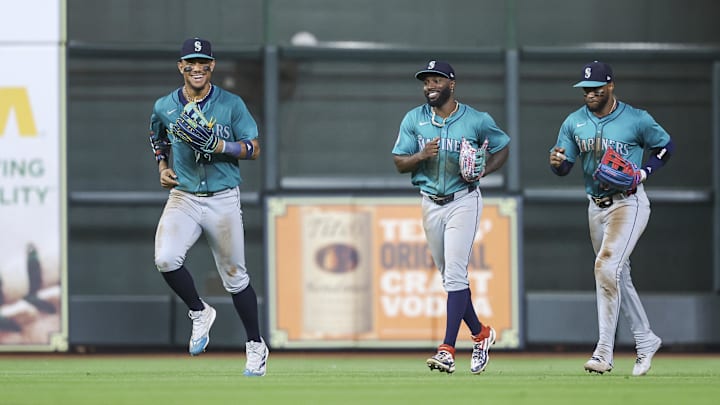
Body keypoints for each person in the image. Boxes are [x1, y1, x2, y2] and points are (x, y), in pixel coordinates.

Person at [148, 37, 268, 376]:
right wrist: (161, 166)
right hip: (184, 195)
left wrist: (222, 145)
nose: (197, 68)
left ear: (212, 66)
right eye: (191, 62)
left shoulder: (230, 104)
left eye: (203, 62)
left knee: (235, 277)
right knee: (166, 259)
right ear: (180, 66)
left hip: (223, 197)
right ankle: (200, 311)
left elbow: (254, 148)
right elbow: (156, 135)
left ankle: (256, 345)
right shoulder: (165, 106)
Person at [549, 60, 674, 376]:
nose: (590, 94)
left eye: (595, 88)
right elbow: (564, 167)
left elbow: (665, 147)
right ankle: (646, 340)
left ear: (610, 86)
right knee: (617, 275)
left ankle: (604, 352)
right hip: (596, 206)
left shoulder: (636, 119)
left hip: (628, 204)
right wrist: (558, 162)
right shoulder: (574, 122)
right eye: (585, 89)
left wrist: (643, 172)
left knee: (605, 267)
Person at [392, 60, 510, 374]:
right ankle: (481, 334)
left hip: (463, 200)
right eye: (427, 81)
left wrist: (485, 170)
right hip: (430, 202)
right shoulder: (414, 119)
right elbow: (399, 162)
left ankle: (446, 349)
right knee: (450, 278)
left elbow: (503, 146)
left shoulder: (476, 119)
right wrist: (420, 156)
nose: (430, 86)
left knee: (456, 275)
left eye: (436, 81)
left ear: (451, 85)